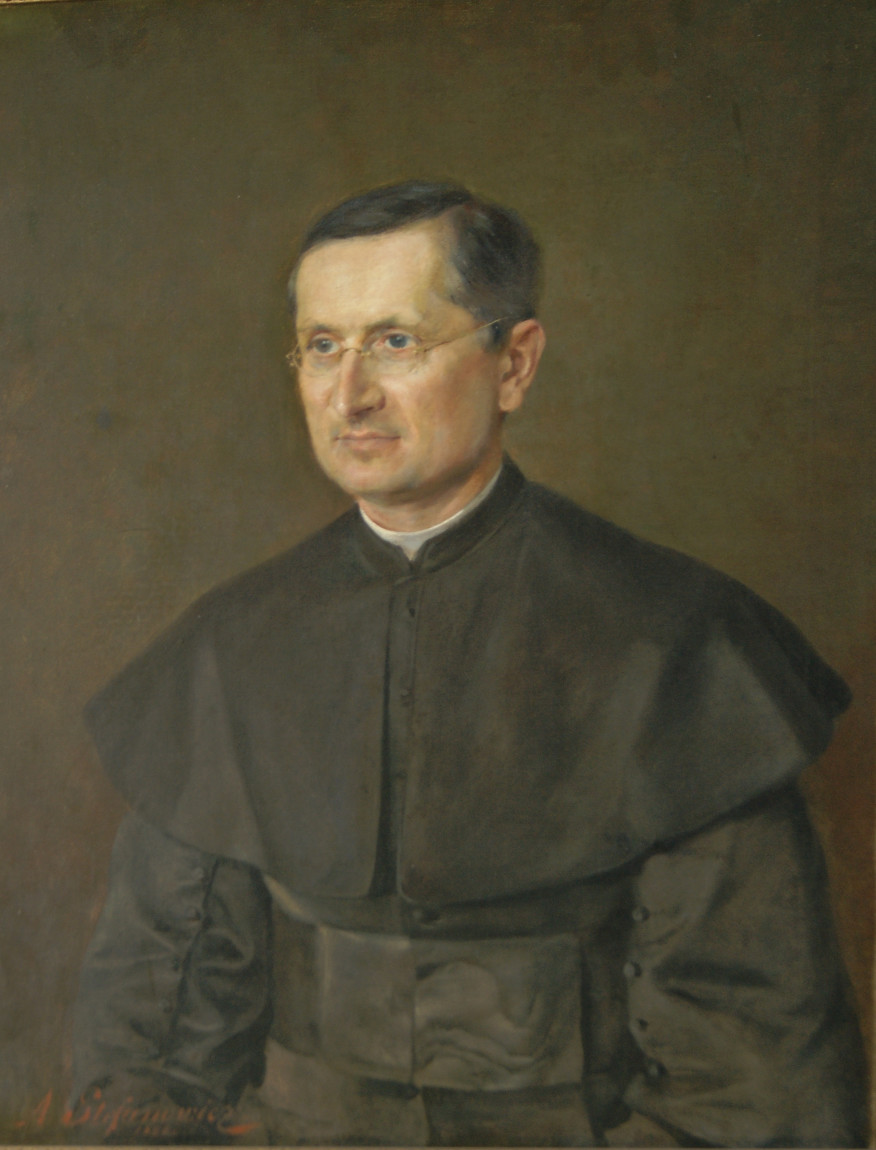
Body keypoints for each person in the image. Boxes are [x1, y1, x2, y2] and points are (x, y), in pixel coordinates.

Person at [71, 181, 867, 1147]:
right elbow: (147, 1057)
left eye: (395, 342)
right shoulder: (224, 649)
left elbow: (754, 1094)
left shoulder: (680, 644)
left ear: (514, 363)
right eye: (322, 345)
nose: (350, 394)